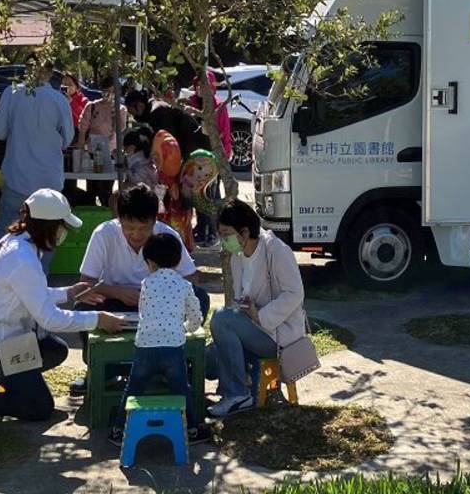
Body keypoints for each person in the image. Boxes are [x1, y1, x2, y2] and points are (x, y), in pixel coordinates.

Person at [0, 189, 125, 436]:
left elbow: (30, 294)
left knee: (55, 350)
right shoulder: (21, 258)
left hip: (4, 339)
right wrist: (98, 319)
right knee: (39, 408)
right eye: (62, 227)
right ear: (48, 226)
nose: (63, 234)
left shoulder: (18, 245)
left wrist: (69, 293)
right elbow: (49, 318)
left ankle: (10, 382)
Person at [68, 182, 208, 395]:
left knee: (200, 297)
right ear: (119, 219)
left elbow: (191, 280)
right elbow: (85, 284)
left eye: (144, 228)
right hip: (115, 303)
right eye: (129, 227)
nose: (136, 234)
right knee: (83, 307)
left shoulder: (166, 236)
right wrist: (118, 292)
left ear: (155, 220)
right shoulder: (103, 234)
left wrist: (161, 293)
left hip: (159, 309)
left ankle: (173, 364)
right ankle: (99, 370)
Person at [206, 199, 305, 418]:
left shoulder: (276, 251)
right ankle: (233, 392)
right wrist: (244, 307)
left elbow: (295, 293)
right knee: (206, 360)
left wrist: (259, 315)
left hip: (277, 335)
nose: (223, 240)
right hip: (254, 329)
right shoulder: (238, 256)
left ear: (244, 232)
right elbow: (242, 297)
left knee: (221, 318)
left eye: (226, 234)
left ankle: (236, 395)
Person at [109, 232, 207, 445]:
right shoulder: (184, 285)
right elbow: (194, 313)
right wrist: (190, 327)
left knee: (134, 387)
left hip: (145, 344)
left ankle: (118, 429)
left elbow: (144, 310)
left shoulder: (146, 283)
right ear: (178, 260)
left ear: (150, 262)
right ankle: (192, 429)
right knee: (181, 388)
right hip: (173, 345)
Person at [0, 61, 75, 253]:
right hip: (49, 179)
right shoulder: (58, 99)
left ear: (26, 70)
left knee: (4, 233)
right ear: (50, 72)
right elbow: (67, 139)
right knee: (46, 236)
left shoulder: (11, 93)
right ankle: (39, 279)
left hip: (17, 176)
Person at [189, 72, 231, 247]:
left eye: (204, 86)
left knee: (211, 195)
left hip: (214, 156)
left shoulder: (219, 106)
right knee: (197, 196)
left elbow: (223, 133)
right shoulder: (190, 105)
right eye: (198, 85)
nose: (200, 89)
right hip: (195, 158)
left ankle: (213, 232)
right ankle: (201, 228)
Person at [76, 76, 129, 205]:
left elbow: (120, 129)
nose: (108, 94)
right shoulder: (92, 106)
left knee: (106, 191)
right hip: (92, 153)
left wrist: (114, 113)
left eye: (112, 91)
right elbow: (83, 129)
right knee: (91, 190)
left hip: (111, 154)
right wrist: (80, 152)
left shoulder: (121, 109)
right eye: (106, 90)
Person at [125, 88, 209, 158]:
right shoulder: (154, 110)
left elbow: (167, 141)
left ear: (139, 105)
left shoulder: (157, 112)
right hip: (189, 147)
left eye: (131, 111)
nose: (132, 115)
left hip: (192, 149)